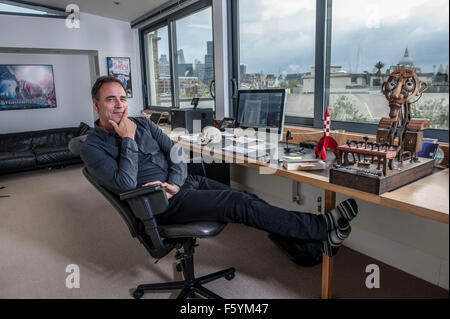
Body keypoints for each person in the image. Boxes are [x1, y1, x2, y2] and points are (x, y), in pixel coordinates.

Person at [80, 76, 358, 259]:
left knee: (248, 199)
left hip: (181, 185)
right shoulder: (92, 147)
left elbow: (176, 152)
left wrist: (177, 181)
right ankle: (319, 226)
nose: (119, 105)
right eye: (110, 100)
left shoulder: (143, 123)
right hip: (159, 202)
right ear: (96, 105)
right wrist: (127, 140)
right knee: (237, 201)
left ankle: (306, 248)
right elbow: (126, 185)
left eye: (123, 99)